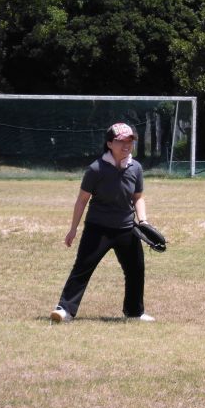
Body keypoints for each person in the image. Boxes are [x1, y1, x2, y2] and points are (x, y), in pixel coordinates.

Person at [50, 123, 155, 323]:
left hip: (126, 228)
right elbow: (82, 200)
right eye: (121, 141)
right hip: (98, 229)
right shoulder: (96, 169)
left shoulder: (136, 168)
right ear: (109, 143)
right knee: (82, 268)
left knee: (136, 270)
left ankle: (134, 312)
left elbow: (138, 197)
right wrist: (73, 229)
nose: (126, 145)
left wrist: (143, 220)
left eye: (130, 141)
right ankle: (65, 310)